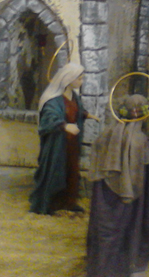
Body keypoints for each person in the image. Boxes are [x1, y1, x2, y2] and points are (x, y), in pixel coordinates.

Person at [86, 94, 149, 277]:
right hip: (128, 200)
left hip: (104, 196)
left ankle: (99, 266)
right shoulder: (140, 141)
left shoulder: (106, 135)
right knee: (124, 228)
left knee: (106, 230)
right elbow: (147, 176)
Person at [29, 62, 98, 215]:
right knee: (55, 171)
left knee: (71, 171)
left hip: (71, 143)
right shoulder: (53, 100)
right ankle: (50, 204)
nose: (81, 81)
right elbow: (49, 117)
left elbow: (76, 110)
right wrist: (64, 126)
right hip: (57, 144)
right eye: (79, 78)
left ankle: (69, 201)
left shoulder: (73, 96)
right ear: (69, 79)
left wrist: (87, 115)